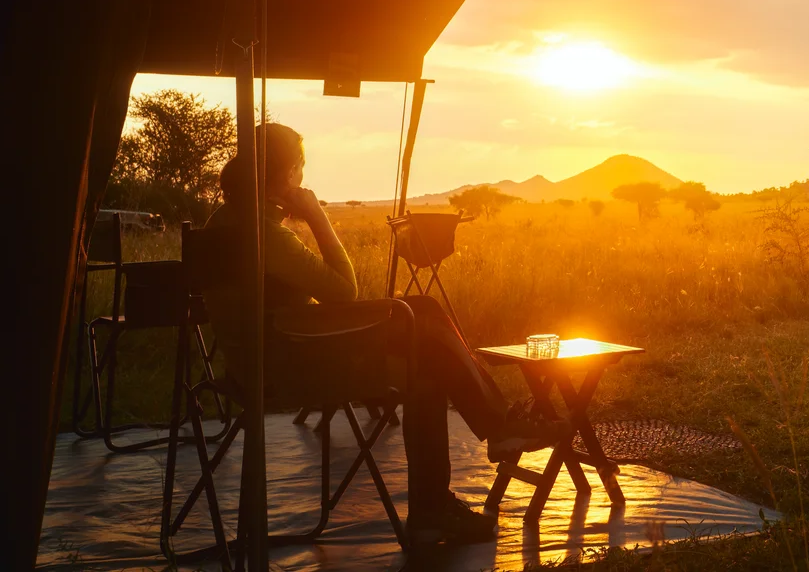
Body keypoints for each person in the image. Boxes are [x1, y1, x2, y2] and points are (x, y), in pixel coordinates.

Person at [207, 123, 567, 546]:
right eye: (301, 167)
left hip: (259, 358)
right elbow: (344, 292)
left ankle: (454, 485)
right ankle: (482, 447)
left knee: (424, 351)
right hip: (289, 366)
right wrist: (318, 215)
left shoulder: (224, 221)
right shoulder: (265, 235)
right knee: (421, 320)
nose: (304, 177)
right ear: (287, 176)